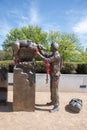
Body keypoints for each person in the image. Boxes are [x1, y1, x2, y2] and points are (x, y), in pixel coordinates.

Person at [37, 42, 61, 113]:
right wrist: (40, 50)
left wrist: (38, 54)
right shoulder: (53, 54)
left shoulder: (57, 55)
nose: (50, 48)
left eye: (51, 47)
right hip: (52, 74)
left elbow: (47, 60)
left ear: (53, 48)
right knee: (52, 89)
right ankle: (53, 101)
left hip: (55, 75)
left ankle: (56, 106)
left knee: (55, 90)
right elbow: (46, 55)